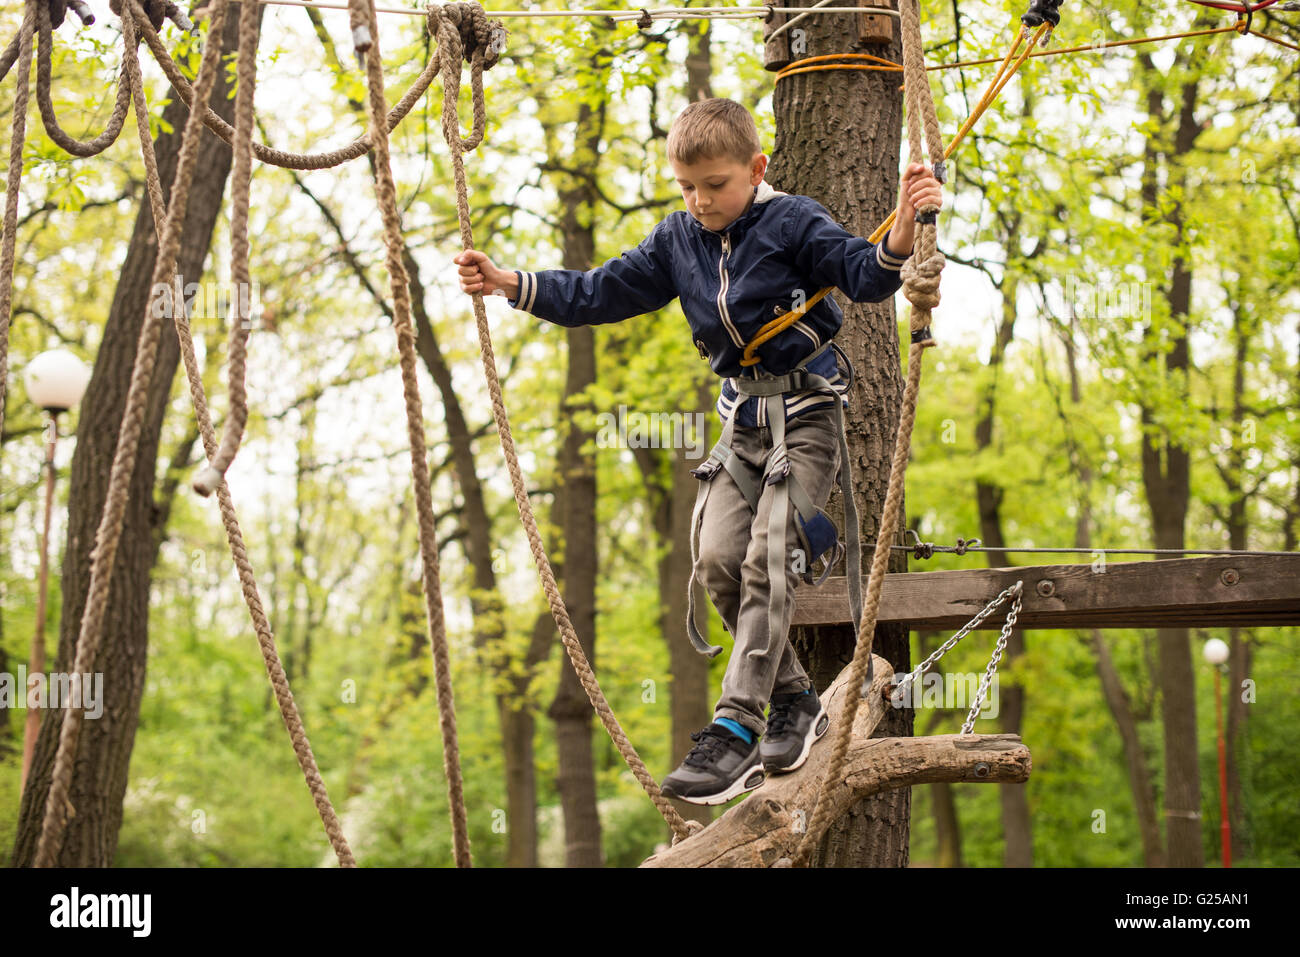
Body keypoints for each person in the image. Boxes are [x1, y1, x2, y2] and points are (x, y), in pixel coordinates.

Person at [455, 97, 942, 805]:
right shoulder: (677, 240)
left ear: (756, 167)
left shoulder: (792, 221)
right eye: (687, 187)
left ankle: (736, 727)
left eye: (715, 184)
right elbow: (601, 291)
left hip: (807, 413)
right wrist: (511, 284)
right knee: (717, 561)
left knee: (772, 550)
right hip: (741, 421)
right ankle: (794, 700)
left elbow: (865, 273)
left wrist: (903, 228)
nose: (701, 200)